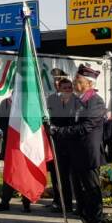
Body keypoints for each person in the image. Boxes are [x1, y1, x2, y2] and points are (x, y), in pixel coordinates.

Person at [50, 64, 106, 223]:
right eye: (75, 80)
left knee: (92, 195)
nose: (74, 83)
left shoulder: (95, 101)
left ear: (89, 83)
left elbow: (85, 127)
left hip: (89, 157)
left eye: (78, 80)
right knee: (81, 197)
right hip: (76, 156)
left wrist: (58, 131)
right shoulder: (78, 100)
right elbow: (68, 121)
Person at [0, 95, 32, 213]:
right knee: (10, 172)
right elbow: (1, 123)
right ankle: (5, 202)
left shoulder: (29, 102)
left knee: (26, 173)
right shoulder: (6, 103)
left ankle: (26, 203)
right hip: (10, 142)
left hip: (26, 143)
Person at [46, 77, 76, 212]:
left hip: (72, 143)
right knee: (59, 175)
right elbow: (52, 118)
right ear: (59, 89)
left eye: (70, 87)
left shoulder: (77, 101)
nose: (68, 90)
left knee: (73, 176)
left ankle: (75, 204)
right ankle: (61, 202)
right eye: (65, 88)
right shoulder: (53, 100)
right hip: (58, 143)